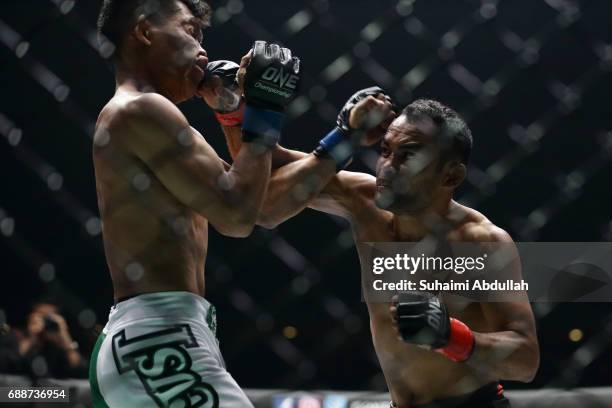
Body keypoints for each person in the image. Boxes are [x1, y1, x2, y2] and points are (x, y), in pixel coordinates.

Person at [213, 67, 540, 406]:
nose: (387, 166)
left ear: (451, 175)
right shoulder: (364, 202)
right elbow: (263, 183)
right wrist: (237, 109)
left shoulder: (479, 242)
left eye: (408, 155)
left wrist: (452, 336)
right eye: (385, 151)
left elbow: (526, 359)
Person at [91, 0, 303, 406]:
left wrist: (236, 113)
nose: (203, 48)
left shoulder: (156, 118)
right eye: (190, 31)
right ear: (145, 32)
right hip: (157, 340)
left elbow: (259, 204)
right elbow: (237, 217)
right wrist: (265, 107)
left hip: (163, 338)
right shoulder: (140, 108)